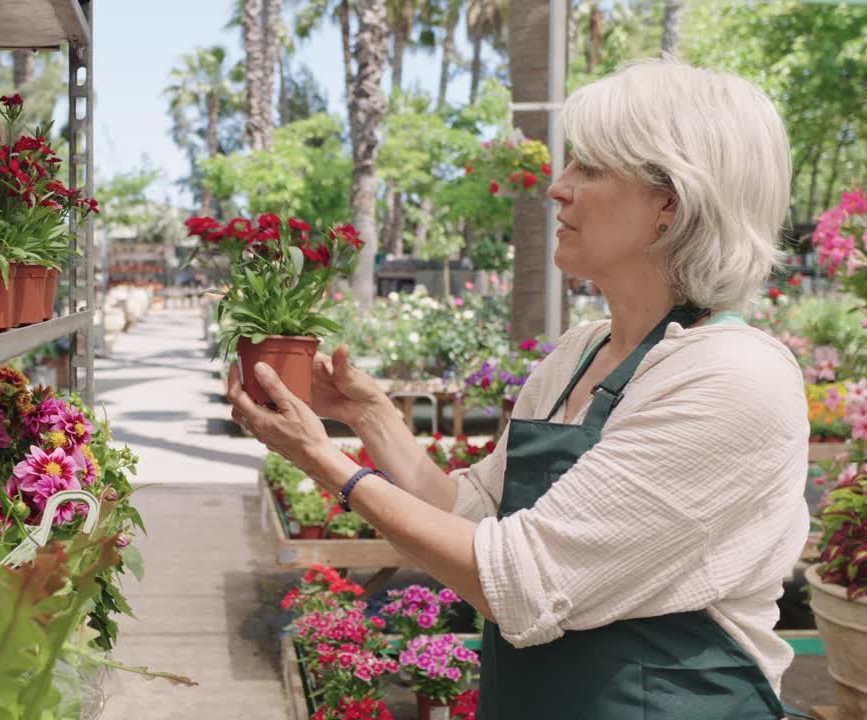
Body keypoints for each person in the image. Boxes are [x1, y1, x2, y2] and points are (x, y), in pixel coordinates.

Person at [228, 59, 813, 719]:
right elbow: (476, 514)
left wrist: (322, 461)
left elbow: (522, 579)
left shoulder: (733, 378)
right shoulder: (579, 352)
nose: (558, 189)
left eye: (589, 168)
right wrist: (369, 418)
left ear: (670, 204)